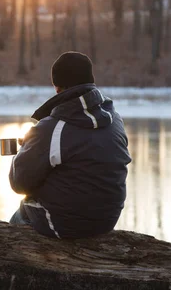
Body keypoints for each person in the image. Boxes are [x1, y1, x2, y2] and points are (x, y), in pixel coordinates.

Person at [9, 51, 132, 239]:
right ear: (91, 81)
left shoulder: (52, 128)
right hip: (108, 220)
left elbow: (19, 184)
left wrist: (25, 150)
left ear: (57, 87)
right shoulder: (115, 119)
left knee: (20, 215)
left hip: (64, 224)